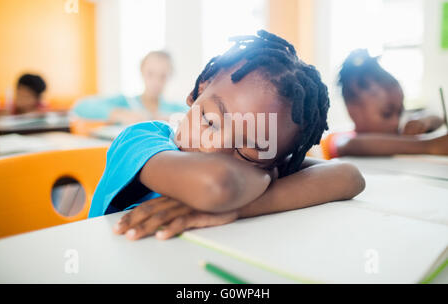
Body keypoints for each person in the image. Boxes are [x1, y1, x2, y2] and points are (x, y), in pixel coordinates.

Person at [89, 30, 366, 241]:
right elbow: (216, 184)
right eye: (210, 121)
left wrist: (238, 208)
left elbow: (349, 177)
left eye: (247, 150)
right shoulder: (140, 139)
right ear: (198, 90)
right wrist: (265, 174)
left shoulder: (262, 166)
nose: (215, 147)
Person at [319, 49, 447, 159]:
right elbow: (356, 145)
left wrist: (424, 122)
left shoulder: (395, 134)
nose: (396, 122)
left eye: (400, 112)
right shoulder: (341, 139)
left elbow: (438, 118)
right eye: (387, 114)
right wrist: (430, 145)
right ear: (353, 109)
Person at [72, 51, 187, 124]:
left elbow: (197, 115)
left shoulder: (174, 108)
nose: (156, 82)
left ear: (170, 76)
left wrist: (173, 119)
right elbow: (80, 106)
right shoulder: (125, 102)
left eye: (162, 76)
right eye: (150, 74)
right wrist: (120, 114)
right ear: (142, 71)